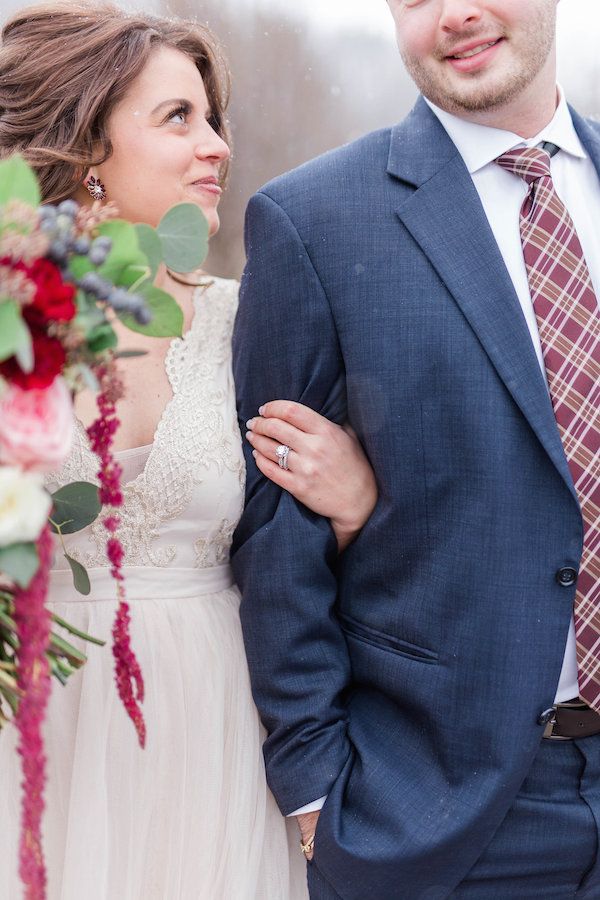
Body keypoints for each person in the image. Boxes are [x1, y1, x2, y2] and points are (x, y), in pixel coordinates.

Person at [0, 3, 378, 898]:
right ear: (85, 146)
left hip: (217, 722)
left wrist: (360, 506)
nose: (217, 145)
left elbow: (318, 575)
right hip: (37, 725)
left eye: (215, 119)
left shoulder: (254, 324)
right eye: (179, 118)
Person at [233, 0, 600, 897]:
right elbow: (277, 543)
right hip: (447, 819)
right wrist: (317, 790)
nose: (456, 15)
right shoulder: (313, 221)